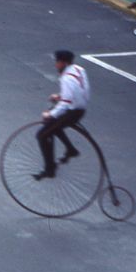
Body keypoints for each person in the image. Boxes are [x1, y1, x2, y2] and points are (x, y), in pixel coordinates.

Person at [34, 50, 89, 180]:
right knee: (51, 126)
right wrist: (59, 96)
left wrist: (50, 114)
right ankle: (70, 149)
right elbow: (81, 89)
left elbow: (66, 103)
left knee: (41, 135)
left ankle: (49, 169)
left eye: (57, 62)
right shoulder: (79, 70)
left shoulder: (66, 78)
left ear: (64, 62)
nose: (55, 65)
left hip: (72, 112)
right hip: (80, 108)